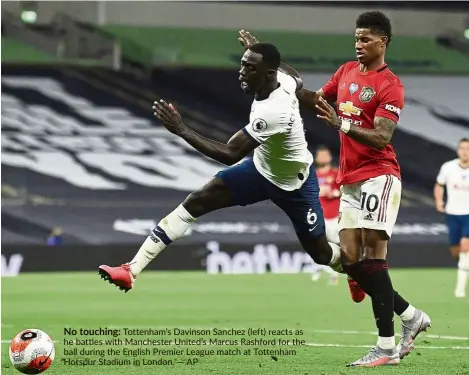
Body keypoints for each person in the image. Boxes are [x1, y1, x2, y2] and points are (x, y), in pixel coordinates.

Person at [237, 11, 431, 367]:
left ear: (383, 41)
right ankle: (411, 315)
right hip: (350, 180)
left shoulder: (390, 85)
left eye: (366, 39)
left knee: (373, 260)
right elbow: (310, 97)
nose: (358, 45)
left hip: (379, 175)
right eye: (356, 38)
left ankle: (386, 347)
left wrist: (342, 122)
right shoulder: (345, 72)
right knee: (350, 262)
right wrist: (272, 66)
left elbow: (382, 137)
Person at [98, 43, 342, 296]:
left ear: (268, 73)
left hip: (295, 183)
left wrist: (182, 130)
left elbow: (230, 154)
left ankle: (354, 271)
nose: (241, 72)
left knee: (321, 253)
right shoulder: (283, 79)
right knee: (196, 202)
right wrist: (254, 47)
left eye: (250, 67)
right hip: (261, 170)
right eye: (242, 64)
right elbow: (294, 78)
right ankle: (131, 270)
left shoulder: (273, 112)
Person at [434, 138, 469, 298]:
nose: (464, 152)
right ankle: (464, 264)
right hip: (452, 213)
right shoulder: (448, 167)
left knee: (465, 247)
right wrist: (439, 201)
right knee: (455, 250)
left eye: (467, 149)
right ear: (457, 150)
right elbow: (439, 185)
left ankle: (460, 289)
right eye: (462, 148)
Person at [311, 145, 341, 285]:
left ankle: (334, 273)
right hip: (319, 215)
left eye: (325, 154)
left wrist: (334, 193)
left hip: (334, 215)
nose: (322, 158)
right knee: (318, 243)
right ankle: (319, 267)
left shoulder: (335, 173)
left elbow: (345, 190)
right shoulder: (314, 174)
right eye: (320, 155)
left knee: (334, 244)